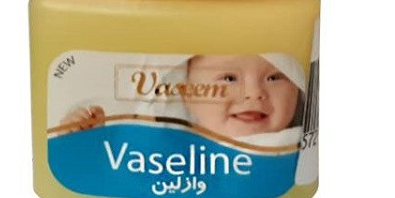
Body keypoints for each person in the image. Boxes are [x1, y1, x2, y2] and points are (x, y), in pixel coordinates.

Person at [59, 54, 305, 147]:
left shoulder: (294, 148)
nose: (253, 93)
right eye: (229, 78)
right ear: (187, 93)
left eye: (275, 77)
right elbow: (115, 177)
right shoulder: (162, 146)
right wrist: (90, 140)